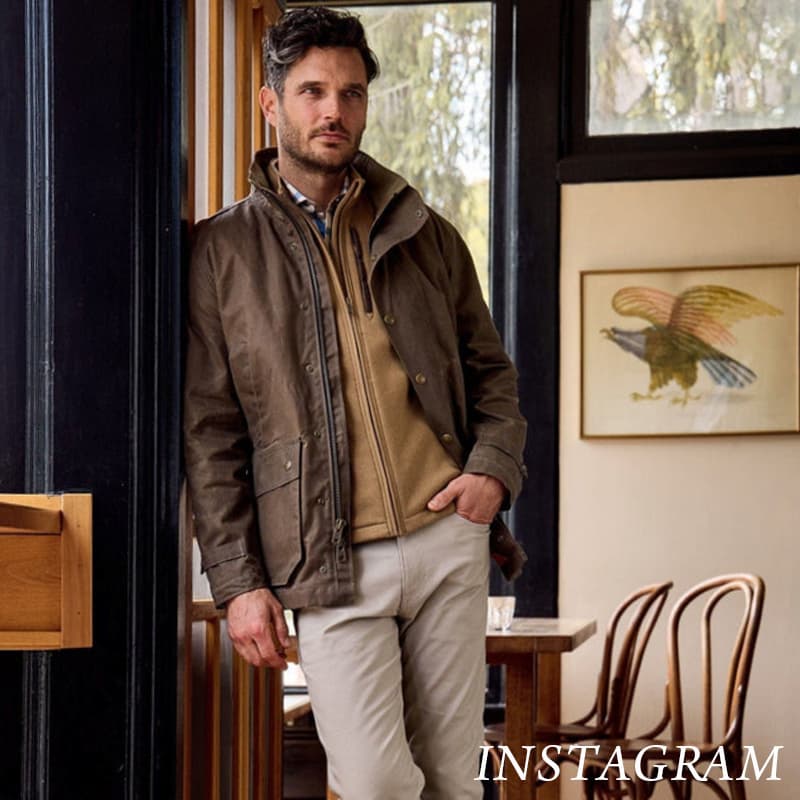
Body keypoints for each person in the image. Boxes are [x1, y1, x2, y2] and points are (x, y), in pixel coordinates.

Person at [184, 7, 527, 799]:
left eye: (350, 92)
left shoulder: (424, 231)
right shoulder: (222, 253)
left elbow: (493, 375)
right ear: (272, 104)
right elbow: (210, 431)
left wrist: (492, 476)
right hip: (326, 561)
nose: (333, 110)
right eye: (311, 91)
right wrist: (237, 584)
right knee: (374, 781)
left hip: (448, 539)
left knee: (452, 776)